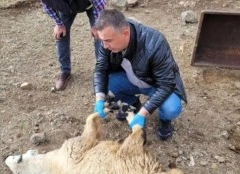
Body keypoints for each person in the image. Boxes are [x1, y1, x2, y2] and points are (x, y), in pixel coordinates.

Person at [93, 9, 187, 141]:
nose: (104, 46)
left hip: (156, 84)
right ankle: (132, 105)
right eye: (102, 41)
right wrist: (100, 99)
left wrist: (144, 113)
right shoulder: (106, 40)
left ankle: (165, 120)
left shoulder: (155, 43)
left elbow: (166, 84)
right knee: (107, 86)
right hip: (131, 79)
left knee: (171, 108)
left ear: (125, 33)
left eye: (108, 41)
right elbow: (100, 69)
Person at [41, 0, 106, 90]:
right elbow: (47, 6)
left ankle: (101, 71)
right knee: (61, 34)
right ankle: (65, 71)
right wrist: (59, 24)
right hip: (67, 8)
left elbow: (100, 4)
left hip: (91, 5)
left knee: (100, 33)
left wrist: (97, 25)